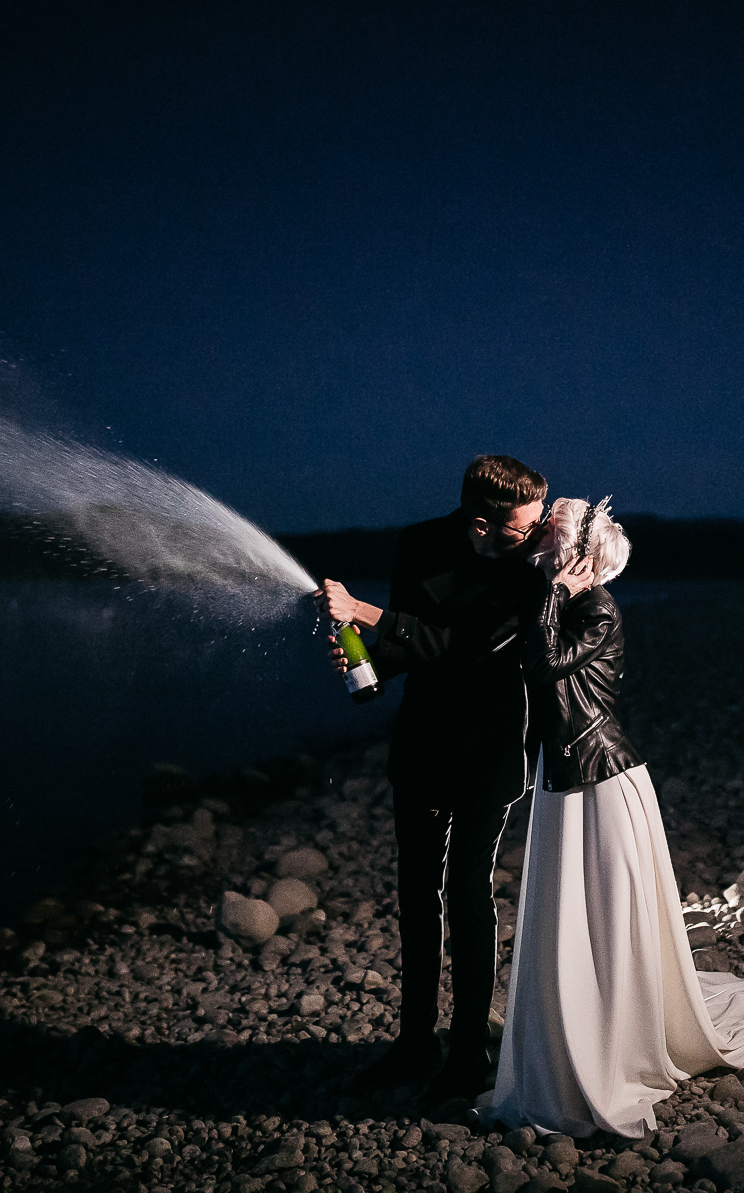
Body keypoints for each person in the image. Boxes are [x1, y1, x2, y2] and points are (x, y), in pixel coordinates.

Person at [479, 497, 744, 1138]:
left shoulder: (593, 607)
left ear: (577, 556)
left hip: (599, 781)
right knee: (577, 917)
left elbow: (543, 665)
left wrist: (554, 590)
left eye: (553, 521)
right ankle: (579, 1028)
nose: (543, 522)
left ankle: (608, 1040)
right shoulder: (557, 601)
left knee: (601, 914)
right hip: (573, 775)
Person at [313, 455, 549, 1102]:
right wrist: (367, 659)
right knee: (416, 893)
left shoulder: (529, 567)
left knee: (467, 892)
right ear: (480, 520)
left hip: (490, 747)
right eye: (524, 526)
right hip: (423, 742)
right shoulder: (420, 543)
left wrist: (361, 611)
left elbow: (466, 646)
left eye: (536, 523)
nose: (536, 533)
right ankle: (415, 1041)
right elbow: (410, 642)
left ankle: (467, 1054)